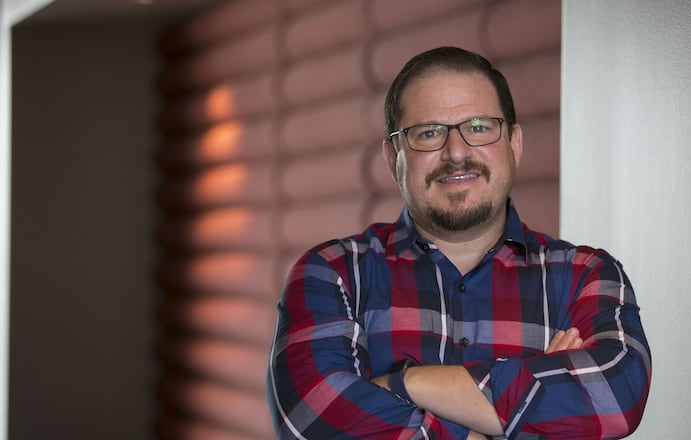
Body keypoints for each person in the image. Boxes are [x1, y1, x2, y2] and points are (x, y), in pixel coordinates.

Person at [266, 46, 651, 439]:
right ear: (392, 156)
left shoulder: (585, 274)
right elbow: (315, 418)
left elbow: (615, 396)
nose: (456, 153)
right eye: (428, 133)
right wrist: (521, 413)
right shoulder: (333, 273)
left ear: (514, 144)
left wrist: (404, 384)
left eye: (479, 127)